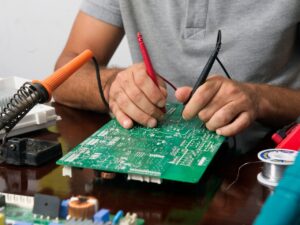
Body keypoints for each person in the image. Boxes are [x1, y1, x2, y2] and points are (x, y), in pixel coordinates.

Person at [53, 1, 300, 150]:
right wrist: (113, 87)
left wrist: (259, 100)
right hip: (151, 158)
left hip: (267, 164)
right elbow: (65, 74)